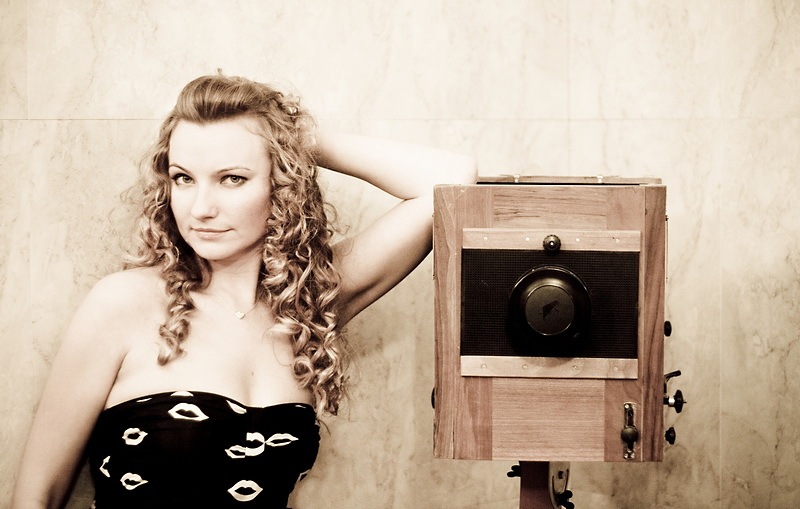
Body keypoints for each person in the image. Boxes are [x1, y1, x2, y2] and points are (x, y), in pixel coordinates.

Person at [11, 74, 477, 508]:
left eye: (231, 178)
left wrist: (292, 138)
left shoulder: (308, 305)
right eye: (183, 178)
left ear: (282, 184)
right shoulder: (124, 303)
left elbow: (451, 180)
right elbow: (36, 496)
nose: (201, 207)